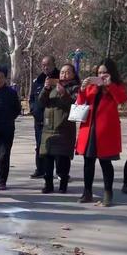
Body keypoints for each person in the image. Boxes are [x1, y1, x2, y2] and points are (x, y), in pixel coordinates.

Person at [75, 58, 127, 206]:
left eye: (105, 72)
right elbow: (80, 102)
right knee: (88, 162)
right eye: (99, 72)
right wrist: (82, 89)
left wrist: (109, 85)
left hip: (106, 130)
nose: (102, 75)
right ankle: (87, 192)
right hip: (89, 128)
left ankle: (108, 194)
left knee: (105, 162)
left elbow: (122, 99)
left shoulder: (116, 85)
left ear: (111, 73)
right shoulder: (92, 86)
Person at [38, 63, 80, 194]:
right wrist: (45, 89)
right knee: (47, 160)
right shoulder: (53, 86)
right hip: (48, 128)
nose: (64, 74)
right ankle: (48, 184)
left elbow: (76, 104)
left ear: (73, 74)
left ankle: (63, 183)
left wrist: (64, 94)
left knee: (62, 160)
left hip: (64, 129)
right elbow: (41, 102)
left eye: (67, 72)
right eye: (62, 72)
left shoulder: (75, 88)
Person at [0, 65, 21, 191]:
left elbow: (17, 110)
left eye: (1, 77)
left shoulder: (11, 93)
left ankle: (2, 181)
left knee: (4, 156)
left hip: (6, 130)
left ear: (5, 79)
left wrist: (7, 118)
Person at [29, 56, 60, 179]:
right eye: (43, 65)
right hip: (40, 119)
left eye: (48, 64)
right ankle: (40, 169)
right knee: (39, 145)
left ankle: (60, 171)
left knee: (57, 147)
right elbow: (32, 98)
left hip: (56, 120)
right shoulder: (38, 80)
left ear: (54, 64)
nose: (45, 67)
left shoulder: (61, 77)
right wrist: (33, 109)